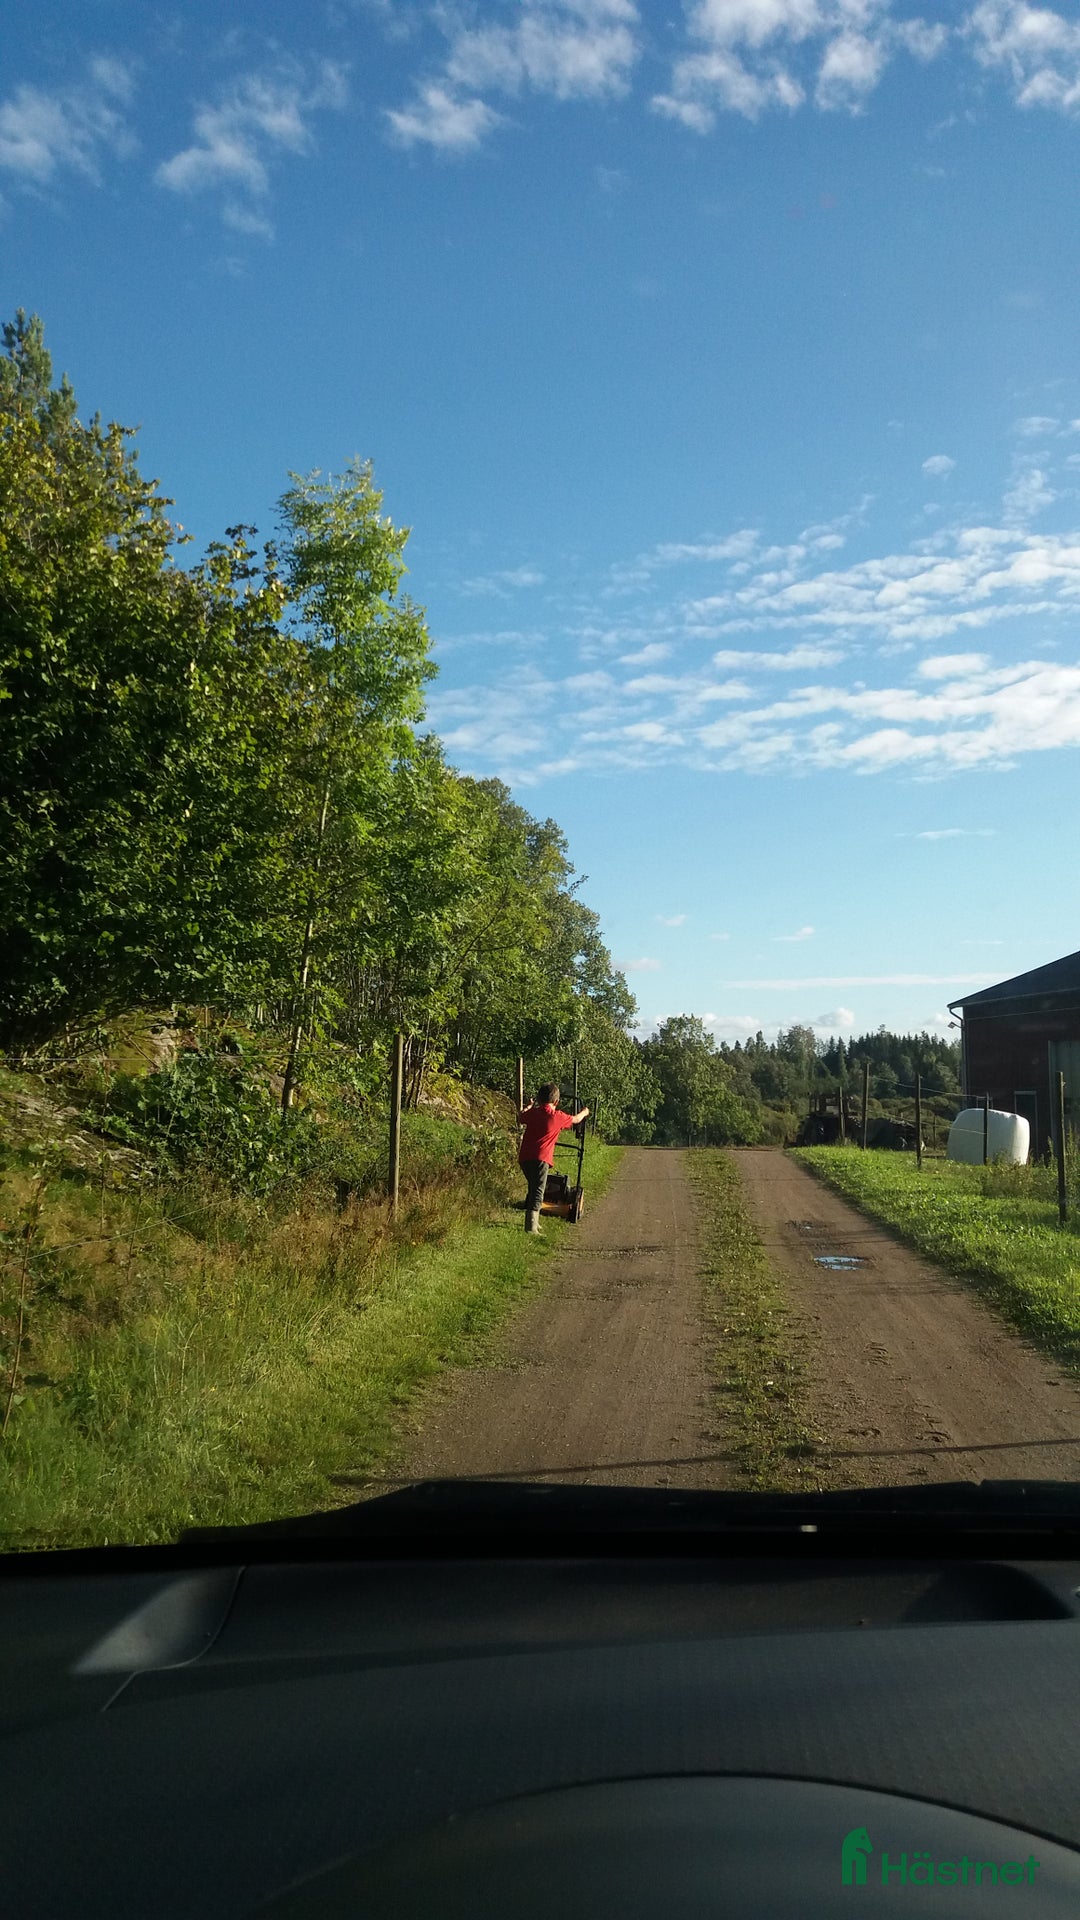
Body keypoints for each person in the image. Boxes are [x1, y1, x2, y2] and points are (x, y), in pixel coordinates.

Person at [517, 1082, 589, 1234]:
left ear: (538, 1098)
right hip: (541, 1159)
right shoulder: (557, 1116)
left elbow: (520, 1116)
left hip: (524, 1157)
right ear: (556, 1102)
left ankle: (535, 1222)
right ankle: (531, 1227)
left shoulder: (534, 1113)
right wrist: (584, 1112)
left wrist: (530, 1106)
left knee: (533, 1186)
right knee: (538, 1191)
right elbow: (575, 1119)